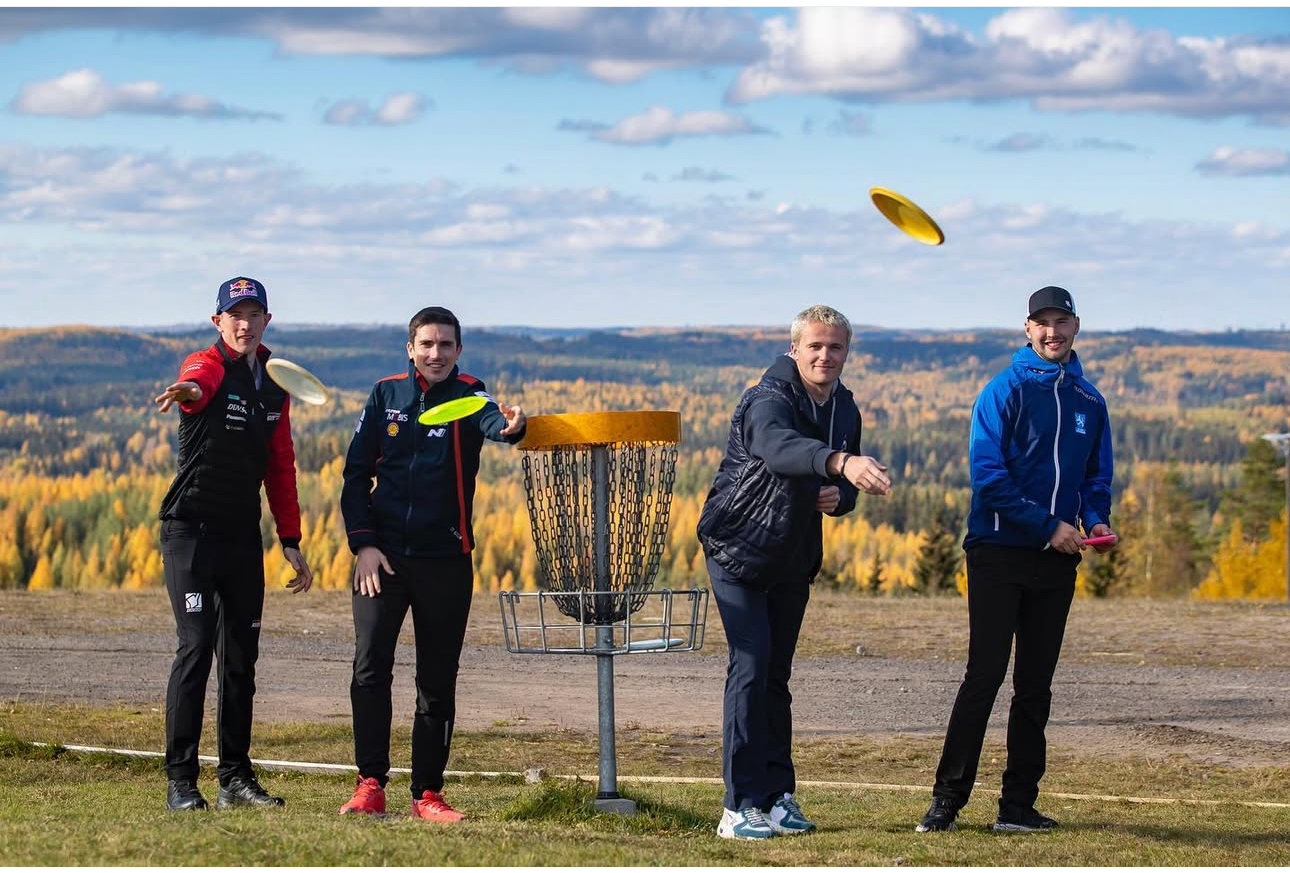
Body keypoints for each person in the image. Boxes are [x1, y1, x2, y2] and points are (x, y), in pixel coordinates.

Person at [916, 286, 1116, 835]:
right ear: (1026, 329)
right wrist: (1047, 526)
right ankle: (946, 802)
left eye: (1062, 322)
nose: (1053, 332)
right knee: (983, 677)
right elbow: (988, 480)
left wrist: (1094, 520)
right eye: (1042, 323)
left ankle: (1018, 807)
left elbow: (1096, 479)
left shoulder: (1090, 401)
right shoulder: (1001, 392)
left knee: (1036, 685)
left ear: (1077, 327)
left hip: (1057, 562)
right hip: (999, 552)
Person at [697, 304, 892, 840]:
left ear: (846, 353)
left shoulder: (843, 408)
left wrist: (842, 494)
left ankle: (778, 797)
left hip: (791, 554)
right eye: (815, 346)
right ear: (794, 350)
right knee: (752, 666)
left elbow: (840, 482)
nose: (825, 356)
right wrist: (839, 463)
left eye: (835, 347)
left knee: (776, 677)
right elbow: (778, 448)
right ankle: (738, 807)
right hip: (738, 548)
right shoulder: (768, 399)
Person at [338, 306, 526, 822]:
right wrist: (364, 545)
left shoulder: (470, 391)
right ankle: (370, 784)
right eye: (426, 344)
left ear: (459, 351)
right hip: (383, 561)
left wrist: (513, 426)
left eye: (446, 345)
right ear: (410, 348)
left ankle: (428, 794)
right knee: (369, 670)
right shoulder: (385, 395)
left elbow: (494, 422)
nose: (435, 354)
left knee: (437, 679)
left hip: (446, 559)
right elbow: (355, 478)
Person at [153, 276, 313, 812]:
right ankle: (181, 781)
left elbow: (280, 464)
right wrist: (188, 394)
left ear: (268, 319)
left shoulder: (275, 382)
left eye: (254, 313)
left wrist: (289, 537)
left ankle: (235, 780)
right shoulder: (206, 365)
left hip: (243, 537)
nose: (244, 323)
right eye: (234, 314)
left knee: (240, 659)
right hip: (190, 532)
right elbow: (198, 384)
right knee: (196, 648)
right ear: (217, 321)